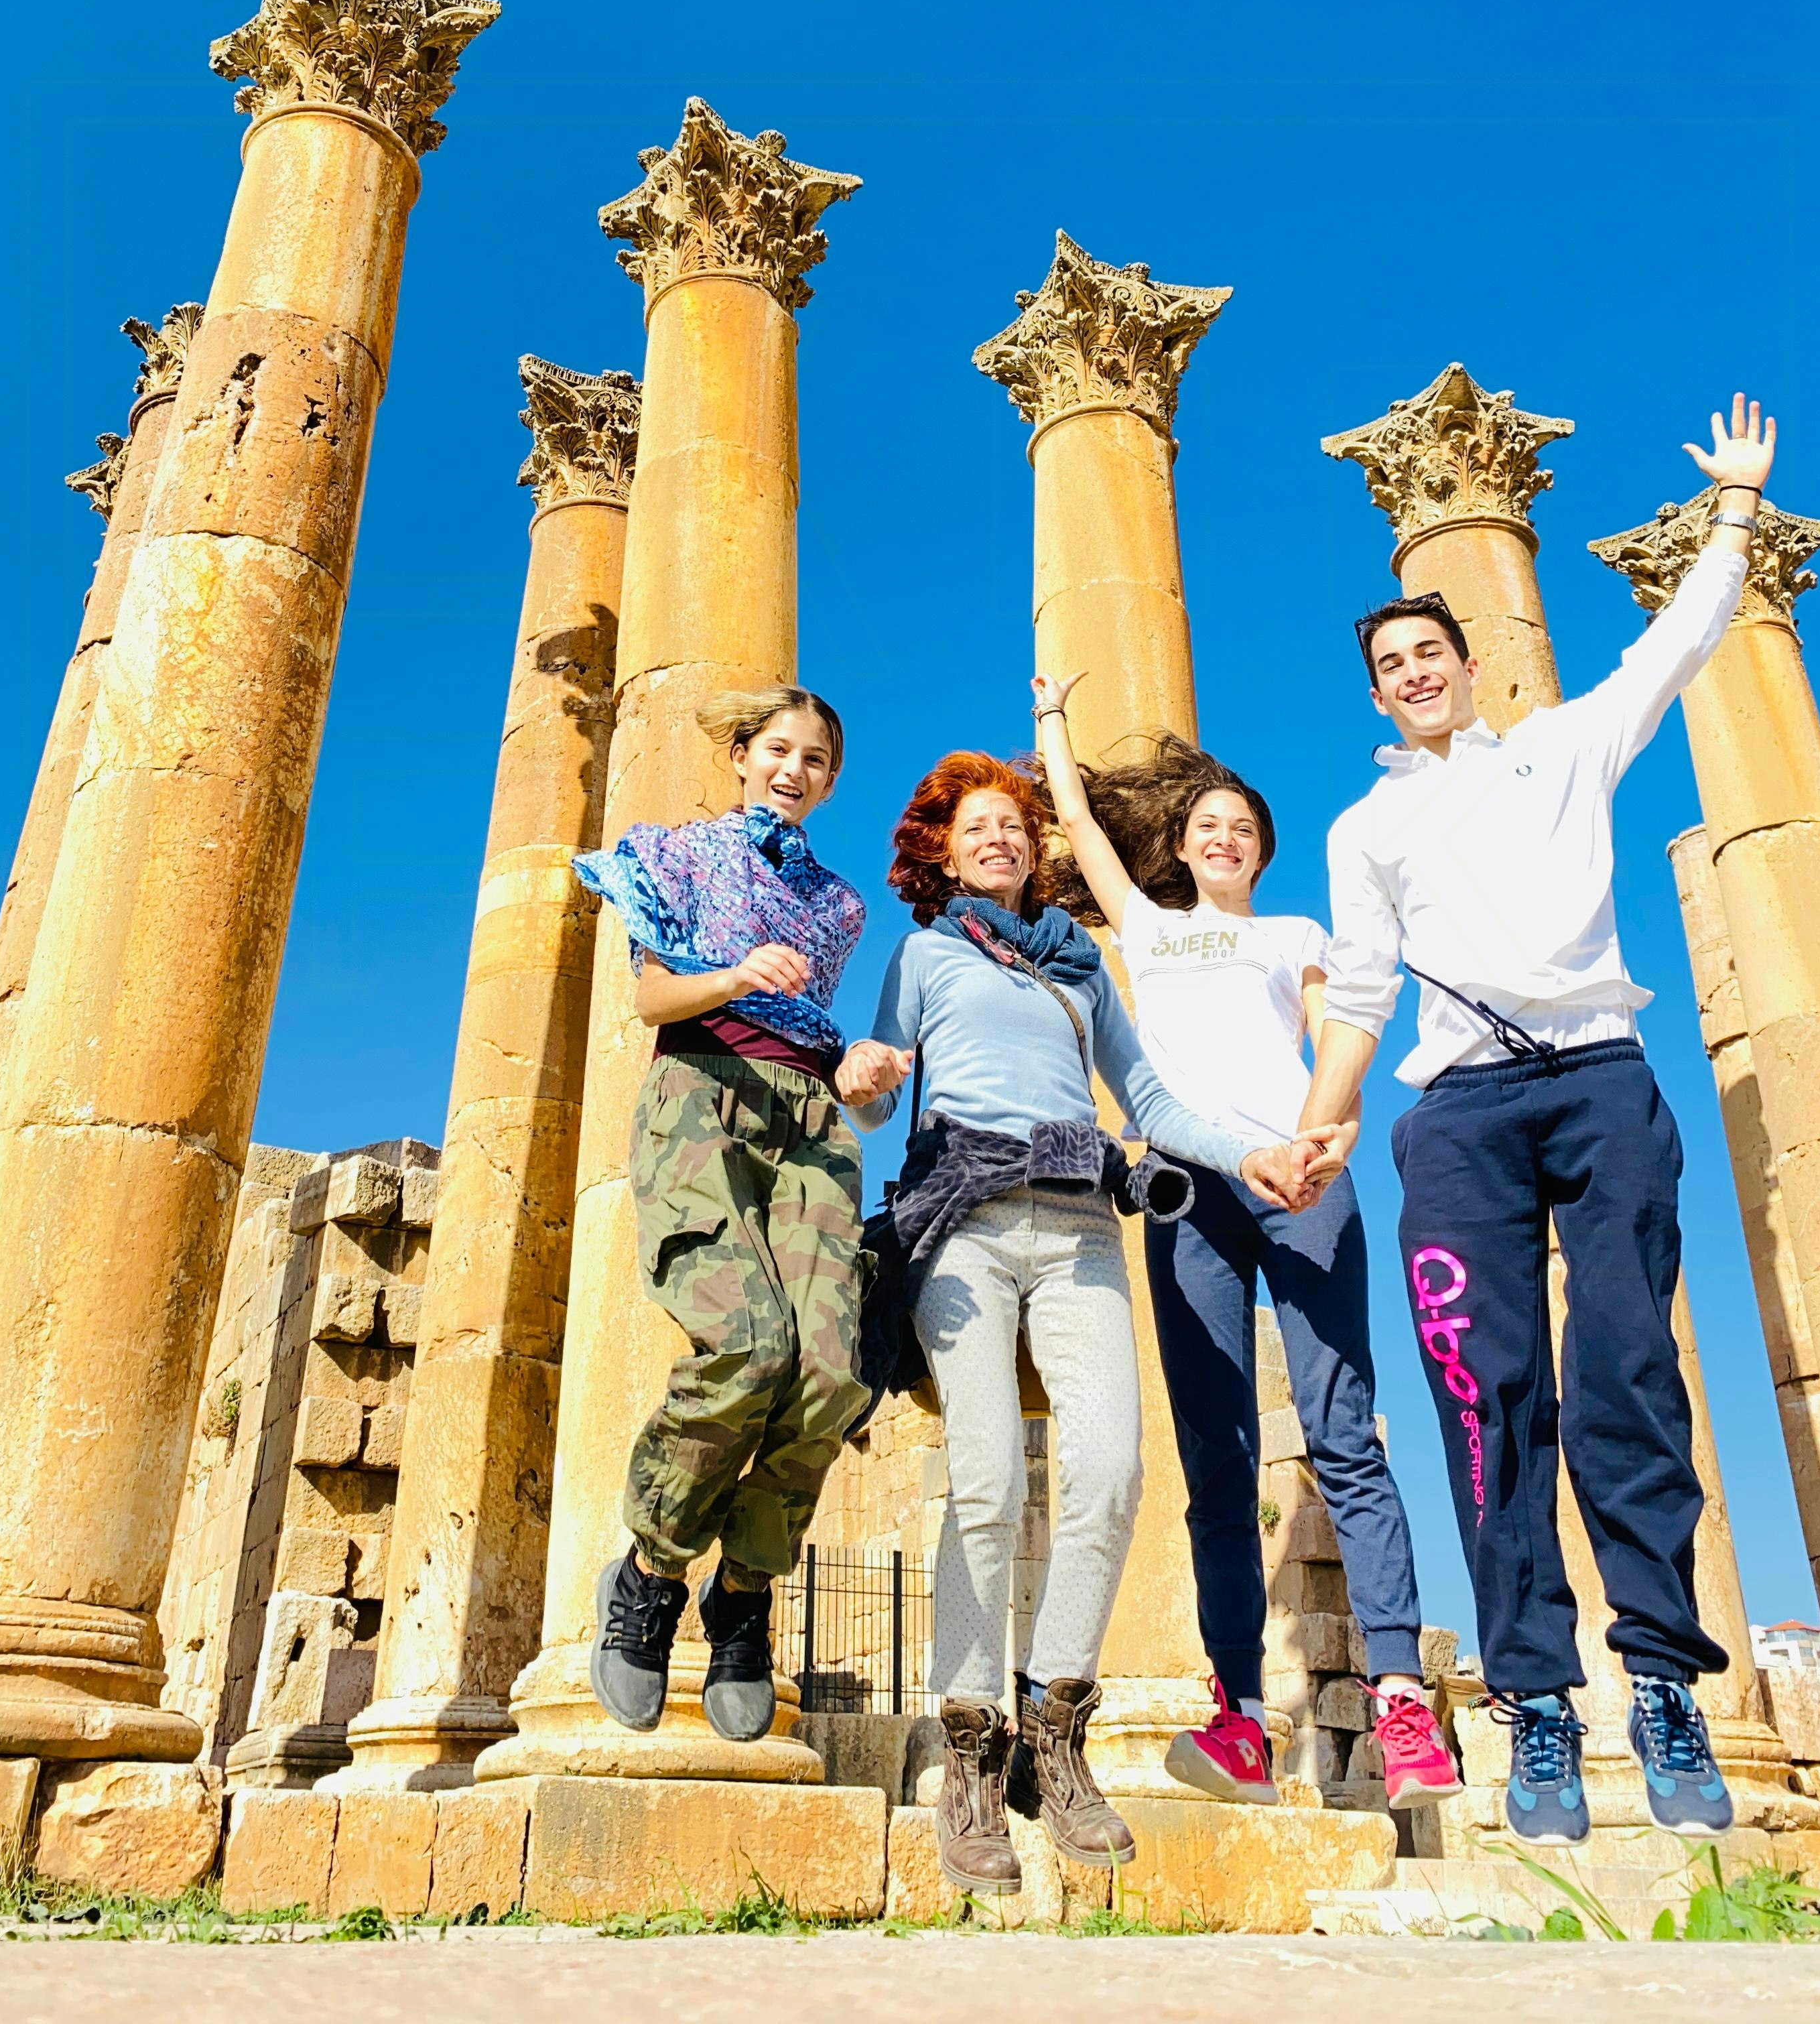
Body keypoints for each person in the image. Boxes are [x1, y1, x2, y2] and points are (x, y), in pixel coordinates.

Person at [1290, 395, 1778, 1847]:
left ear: (1465, 664)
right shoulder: (1364, 830)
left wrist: (1735, 510)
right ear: (1378, 697)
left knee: (1630, 1371)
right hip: (1456, 1115)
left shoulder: (1563, 748)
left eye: (1428, 653)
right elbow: (1361, 991)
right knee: (1484, 1401)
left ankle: (1664, 1683)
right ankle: (1537, 1704)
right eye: (1390, 666)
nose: (1414, 674)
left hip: (1599, 1079)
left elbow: (1674, 646)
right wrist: (1320, 1121)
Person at [856, 752, 1283, 1899]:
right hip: (964, 1227)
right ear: (944, 851)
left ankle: (1053, 1728)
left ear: (1035, 847)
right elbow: (885, 1083)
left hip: (1082, 1225)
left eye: (1014, 824)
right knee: (988, 1481)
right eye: (976, 827)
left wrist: (1249, 1152)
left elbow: (1148, 1099)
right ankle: (968, 1751)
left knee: (1110, 1472)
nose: (999, 838)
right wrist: (866, 1075)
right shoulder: (926, 954)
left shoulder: (1078, 965)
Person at [1030, 698, 1458, 1815]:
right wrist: (1057, 722)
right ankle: (1240, 1718)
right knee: (1216, 1463)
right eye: (1207, 826)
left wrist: (1337, 1128)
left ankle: (1401, 1700)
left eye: (1243, 829)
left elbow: (1331, 1042)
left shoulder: (1295, 935)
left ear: (1261, 851)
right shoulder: (1146, 926)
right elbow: (1078, 822)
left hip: (1300, 1177)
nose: (1224, 838)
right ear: (1179, 847)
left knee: (1342, 1433)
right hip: (1190, 1192)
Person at [573, 686, 909, 1745]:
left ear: (830, 782)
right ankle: (652, 1571)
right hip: (701, 1099)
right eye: (778, 750)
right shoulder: (673, 854)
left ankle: (744, 1594)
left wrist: (862, 1073)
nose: (793, 771)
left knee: (834, 1374)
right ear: (741, 754)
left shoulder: (840, 906)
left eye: (816, 760)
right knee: (748, 1349)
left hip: (808, 1119)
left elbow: (819, 1042)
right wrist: (731, 975)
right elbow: (651, 1001)